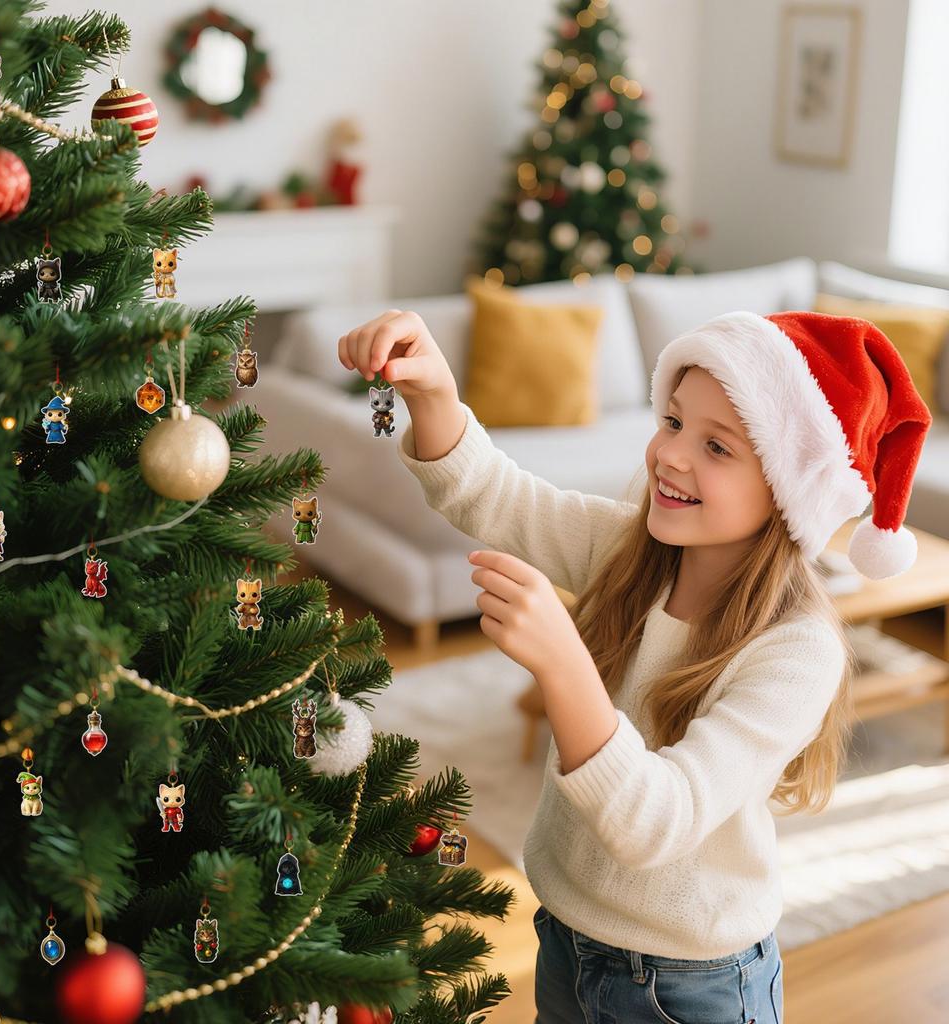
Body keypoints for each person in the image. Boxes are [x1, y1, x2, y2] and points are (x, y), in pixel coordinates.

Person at [337, 306, 932, 1024]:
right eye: (673, 421)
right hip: (567, 939)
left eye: (717, 447)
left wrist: (563, 662)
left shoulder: (798, 650)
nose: (670, 455)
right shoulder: (631, 551)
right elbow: (497, 496)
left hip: (693, 984)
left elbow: (657, 822)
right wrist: (434, 392)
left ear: (787, 489)